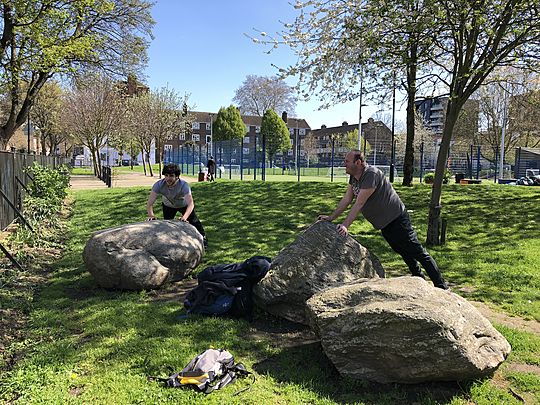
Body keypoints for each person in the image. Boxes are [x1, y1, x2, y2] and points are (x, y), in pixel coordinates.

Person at [318, 150, 448, 289]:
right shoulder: (354, 177)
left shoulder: (370, 175)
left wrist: (345, 225)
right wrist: (331, 217)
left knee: (418, 252)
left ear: (358, 162)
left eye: (347, 161)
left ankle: (441, 285)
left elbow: (359, 203)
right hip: (385, 223)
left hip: (397, 219)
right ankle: (418, 277)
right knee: (402, 250)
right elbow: (347, 199)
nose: (344, 164)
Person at [147, 163, 208, 248]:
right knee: (167, 225)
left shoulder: (184, 185)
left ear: (177, 176)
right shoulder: (158, 185)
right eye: (166, 175)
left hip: (183, 205)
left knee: (195, 222)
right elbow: (150, 203)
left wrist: (184, 217)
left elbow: (191, 204)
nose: (168, 178)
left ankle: (203, 239)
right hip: (168, 206)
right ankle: (169, 243)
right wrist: (151, 216)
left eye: (171, 176)